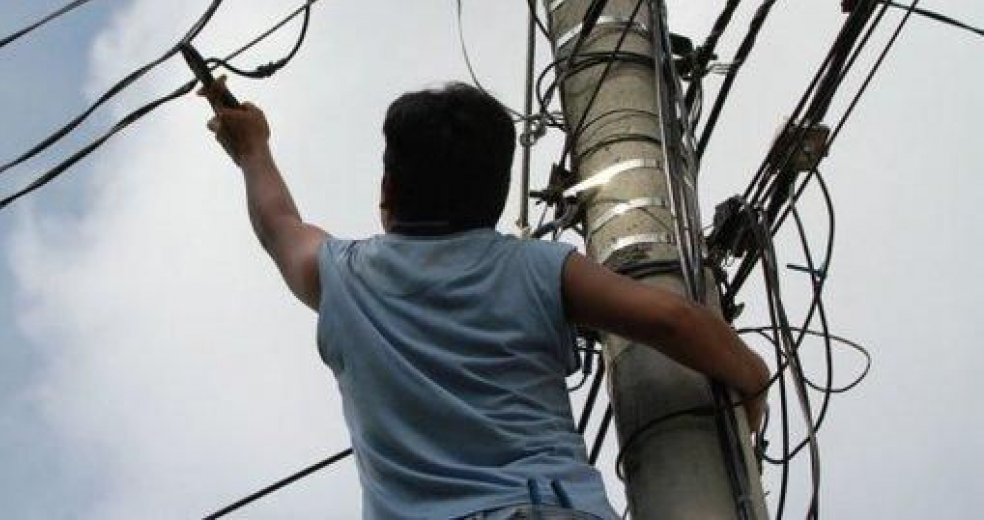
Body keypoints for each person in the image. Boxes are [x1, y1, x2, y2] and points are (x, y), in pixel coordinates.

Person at [203, 80, 769, 520]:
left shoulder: (343, 278)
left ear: (388, 189)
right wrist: (752, 378)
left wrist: (252, 148)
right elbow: (671, 319)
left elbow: (278, 224)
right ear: (496, 198)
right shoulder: (539, 267)